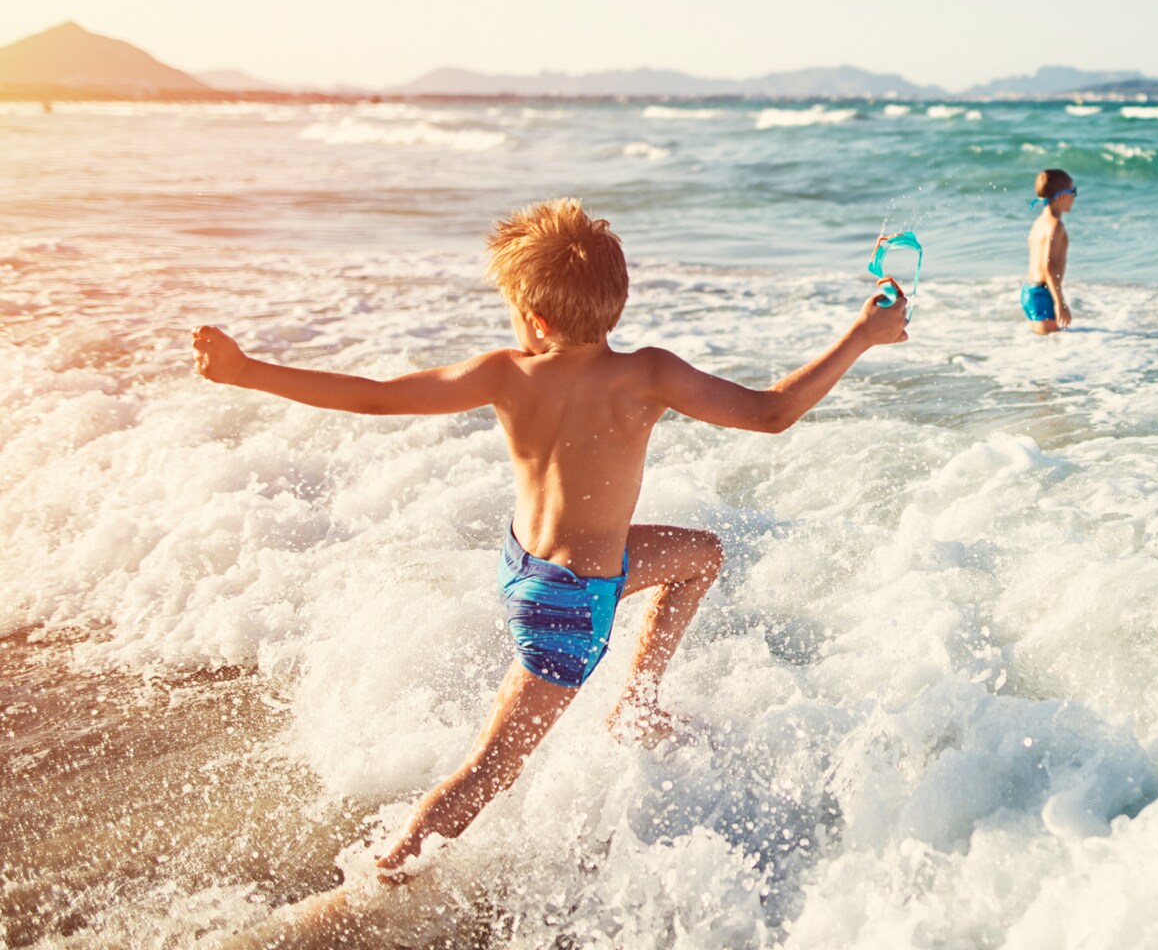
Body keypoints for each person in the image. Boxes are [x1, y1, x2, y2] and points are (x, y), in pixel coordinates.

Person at [189, 197, 908, 882]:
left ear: (533, 319)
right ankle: (386, 876)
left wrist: (246, 371)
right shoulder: (649, 373)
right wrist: (862, 335)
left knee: (700, 556)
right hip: (571, 605)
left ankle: (637, 704)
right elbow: (773, 412)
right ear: (616, 301)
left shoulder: (506, 373)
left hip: (529, 567)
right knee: (490, 771)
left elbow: (376, 397)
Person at [1021, 168, 1076, 334]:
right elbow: (1049, 266)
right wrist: (1060, 303)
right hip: (1043, 293)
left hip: (1029, 291)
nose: (1074, 197)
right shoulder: (1056, 226)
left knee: (1042, 345)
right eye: (1073, 192)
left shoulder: (1039, 223)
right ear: (1062, 196)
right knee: (1052, 345)